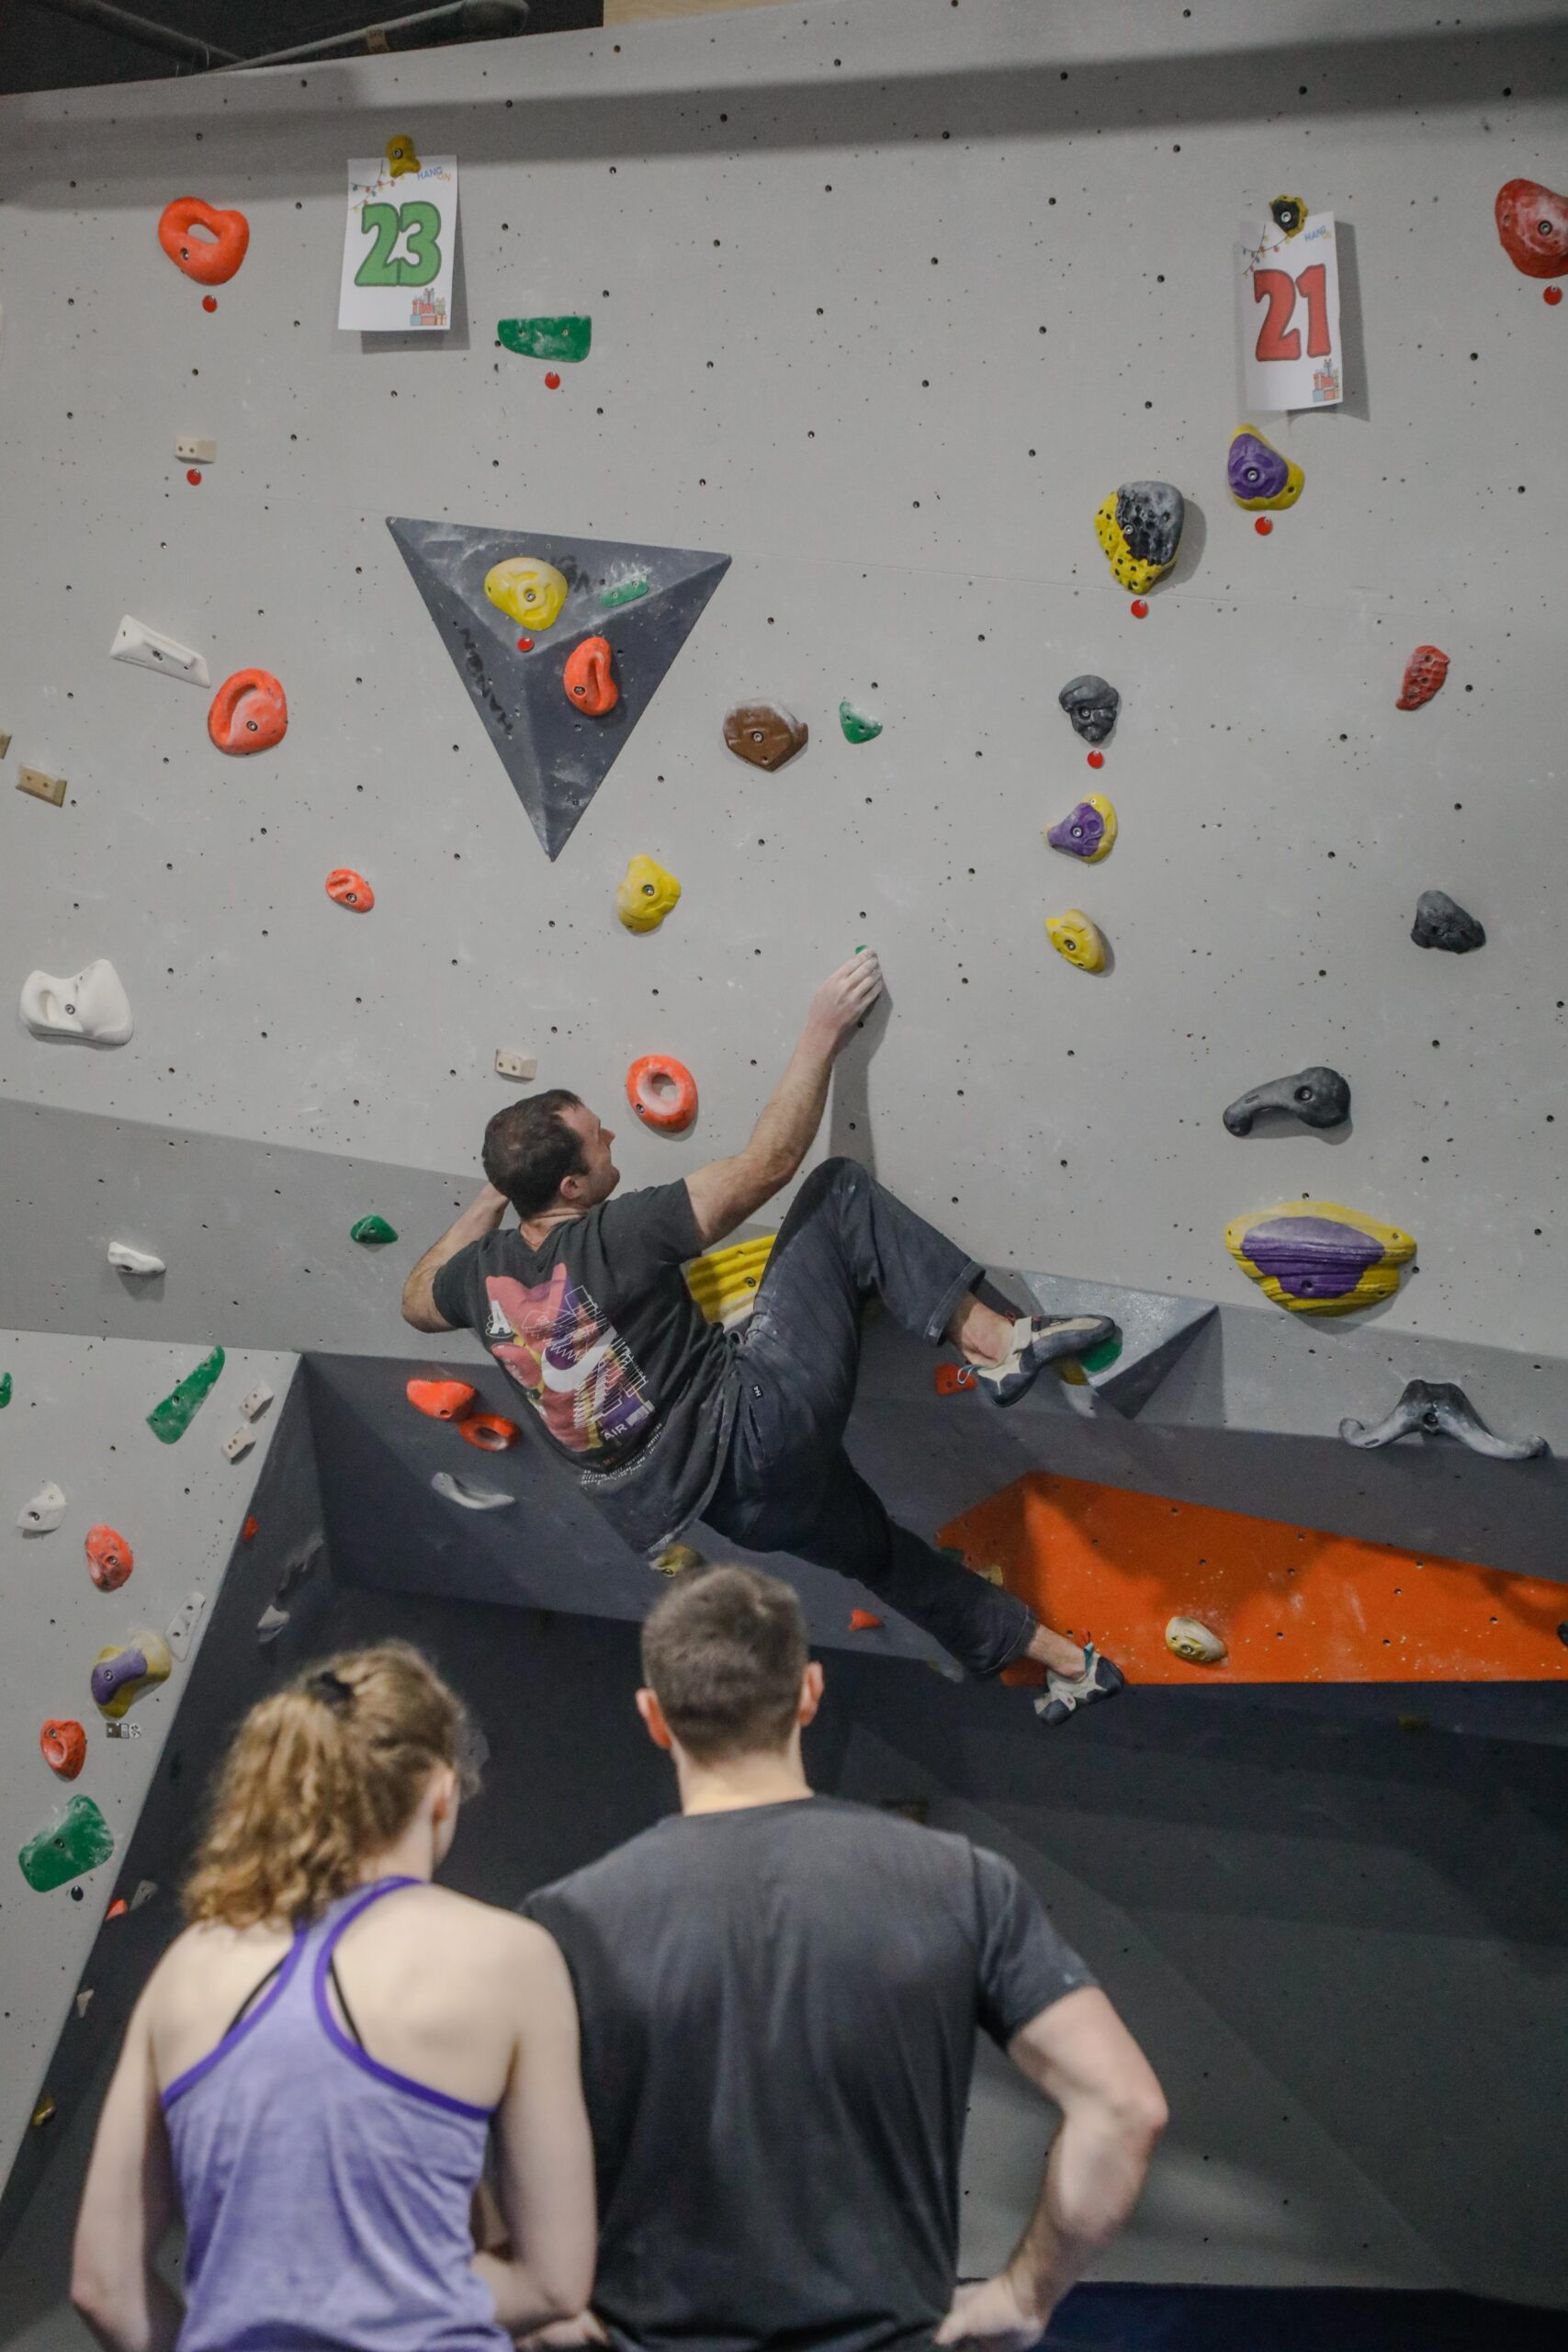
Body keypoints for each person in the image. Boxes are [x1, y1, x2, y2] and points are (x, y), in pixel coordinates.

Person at [402, 953, 1122, 1724]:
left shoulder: (478, 1280)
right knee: (836, 1192)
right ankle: (994, 1344)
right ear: (571, 1189)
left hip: (738, 1509)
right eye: (595, 1137)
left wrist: (495, 1196)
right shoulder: (618, 1233)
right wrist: (820, 1033)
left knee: (881, 1558)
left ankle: (1069, 1665)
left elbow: (415, 1301)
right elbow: (770, 1164)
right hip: (761, 1423)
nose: (610, 1132)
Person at [516, 1565, 1167, 2352]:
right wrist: (1025, 2296)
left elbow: (477, 2142)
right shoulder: (958, 1884)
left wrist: (544, 2301)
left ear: (654, 1717)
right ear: (809, 1693)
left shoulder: (563, 1922)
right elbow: (1124, 2107)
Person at [71, 1643, 595, 2352]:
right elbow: (555, 2284)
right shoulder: (510, 1958)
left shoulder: (189, 1967)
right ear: (442, 1792)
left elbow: (103, 2286)